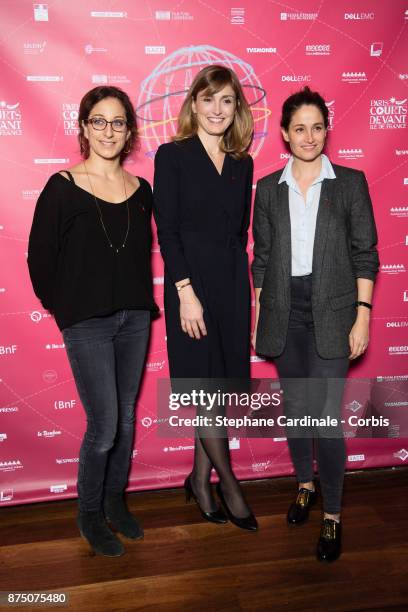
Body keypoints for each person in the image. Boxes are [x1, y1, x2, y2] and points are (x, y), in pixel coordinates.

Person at [28, 86, 158, 557]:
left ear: (129, 132)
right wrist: (70, 311)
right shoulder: (62, 187)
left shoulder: (142, 191)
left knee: (124, 418)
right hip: (88, 325)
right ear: (84, 128)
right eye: (98, 121)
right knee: (103, 424)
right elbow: (40, 262)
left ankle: (114, 503)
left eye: (118, 122)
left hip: (135, 320)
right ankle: (88, 513)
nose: (108, 131)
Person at [252, 86, 379, 561]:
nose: (309, 137)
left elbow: (365, 254)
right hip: (285, 312)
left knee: (324, 419)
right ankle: (304, 484)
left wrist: (361, 316)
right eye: (299, 128)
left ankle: (333, 515)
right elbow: (261, 261)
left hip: (334, 311)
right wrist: (261, 316)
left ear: (327, 131)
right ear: (285, 134)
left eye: (317, 127)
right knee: (297, 409)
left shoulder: (350, 182)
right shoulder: (267, 188)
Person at [153, 65, 258, 531]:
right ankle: (228, 484)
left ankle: (198, 479)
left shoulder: (243, 161)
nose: (217, 109)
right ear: (193, 103)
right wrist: (184, 293)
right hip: (190, 287)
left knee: (216, 389)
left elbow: (241, 232)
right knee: (204, 388)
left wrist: (246, 293)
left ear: (237, 108)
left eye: (227, 101)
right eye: (208, 99)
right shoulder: (171, 156)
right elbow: (168, 232)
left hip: (232, 286)